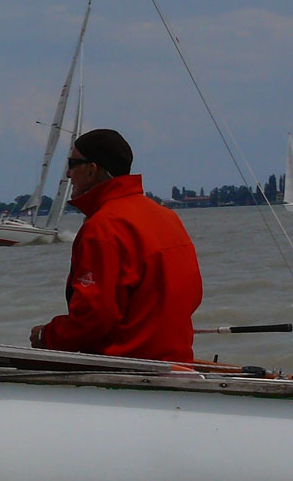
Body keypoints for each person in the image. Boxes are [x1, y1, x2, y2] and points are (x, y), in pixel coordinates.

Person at [30, 129, 202, 362]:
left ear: (91, 170)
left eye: (71, 164)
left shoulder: (102, 228)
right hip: (177, 364)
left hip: (127, 367)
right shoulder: (168, 217)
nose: (68, 174)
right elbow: (194, 295)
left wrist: (47, 335)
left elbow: (93, 318)